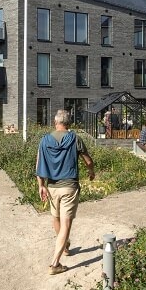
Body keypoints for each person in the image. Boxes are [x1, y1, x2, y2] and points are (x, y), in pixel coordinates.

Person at [36, 109, 95, 275]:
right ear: (69, 123)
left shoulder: (45, 140)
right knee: (66, 224)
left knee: (56, 218)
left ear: (55, 122)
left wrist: (41, 185)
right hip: (69, 186)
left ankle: (65, 246)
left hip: (52, 186)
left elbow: (38, 163)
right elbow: (88, 160)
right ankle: (55, 263)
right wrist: (91, 172)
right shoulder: (75, 138)